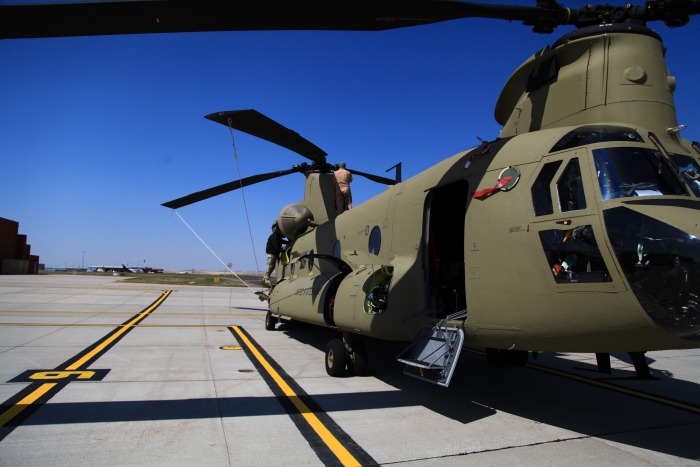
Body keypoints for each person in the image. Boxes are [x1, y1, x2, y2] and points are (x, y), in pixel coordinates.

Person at [262, 221, 287, 288]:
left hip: (274, 254)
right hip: (271, 253)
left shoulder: (277, 236)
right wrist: (282, 250)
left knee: (272, 266)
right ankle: (266, 279)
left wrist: (288, 242)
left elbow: (281, 241)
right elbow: (276, 247)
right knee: (270, 266)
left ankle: (265, 278)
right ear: (277, 230)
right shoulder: (274, 237)